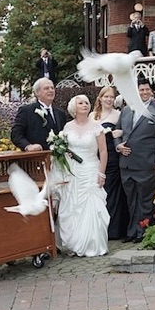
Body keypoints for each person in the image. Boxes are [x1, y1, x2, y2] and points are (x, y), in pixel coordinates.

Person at [52, 95, 110, 257]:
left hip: (91, 169)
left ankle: (93, 244)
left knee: (91, 206)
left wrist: (101, 172)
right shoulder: (68, 127)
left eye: (86, 103)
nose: (84, 105)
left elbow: (103, 151)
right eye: (81, 103)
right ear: (74, 107)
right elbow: (64, 148)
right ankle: (73, 243)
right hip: (72, 172)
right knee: (71, 206)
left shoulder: (96, 126)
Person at [117, 78, 155, 243]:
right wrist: (118, 145)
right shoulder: (126, 110)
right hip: (126, 164)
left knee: (146, 201)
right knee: (131, 201)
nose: (144, 93)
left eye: (147, 90)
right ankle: (132, 231)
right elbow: (117, 132)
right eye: (141, 90)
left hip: (147, 164)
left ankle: (144, 231)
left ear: (151, 91)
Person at [91, 86, 129, 241]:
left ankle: (114, 229)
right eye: (105, 96)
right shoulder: (93, 116)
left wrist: (120, 135)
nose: (108, 99)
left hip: (113, 156)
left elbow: (126, 133)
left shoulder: (118, 115)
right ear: (100, 98)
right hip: (95, 156)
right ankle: (99, 227)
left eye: (111, 97)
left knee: (112, 192)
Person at [10, 78, 66, 151]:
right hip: (36, 158)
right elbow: (16, 135)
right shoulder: (26, 111)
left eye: (52, 88)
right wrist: (28, 146)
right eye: (46, 88)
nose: (51, 90)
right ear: (37, 92)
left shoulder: (60, 113)